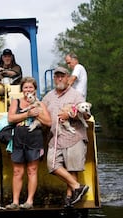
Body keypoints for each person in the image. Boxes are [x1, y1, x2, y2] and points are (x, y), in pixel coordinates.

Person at [42, 67, 90, 208]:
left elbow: (86, 114)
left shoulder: (76, 95)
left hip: (74, 136)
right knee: (52, 164)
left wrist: (69, 115)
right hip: (55, 138)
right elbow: (41, 112)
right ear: (54, 78)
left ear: (68, 78)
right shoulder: (48, 96)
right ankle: (77, 186)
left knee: (72, 168)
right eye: (57, 76)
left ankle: (69, 200)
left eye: (62, 76)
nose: (60, 79)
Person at [5, 77, 51, 209]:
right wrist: (27, 114)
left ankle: (29, 201)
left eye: (31, 87)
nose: (28, 90)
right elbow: (11, 118)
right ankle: (15, 202)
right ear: (22, 90)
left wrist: (37, 115)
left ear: (35, 90)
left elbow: (48, 122)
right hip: (19, 139)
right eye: (25, 87)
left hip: (34, 139)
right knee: (17, 171)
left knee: (32, 170)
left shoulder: (40, 104)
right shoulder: (16, 102)